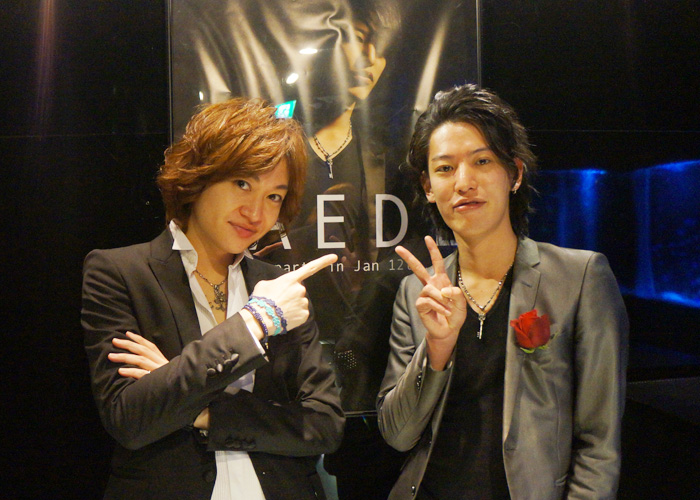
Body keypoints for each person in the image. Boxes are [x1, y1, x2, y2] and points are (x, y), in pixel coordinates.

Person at [81, 97, 345, 500]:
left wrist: (196, 406)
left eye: (274, 196)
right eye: (243, 183)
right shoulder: (120, 272)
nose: (256, 212)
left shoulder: (279, 286)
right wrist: (255, 322)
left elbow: (324, 425)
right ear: (198, 176)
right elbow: (129, 419)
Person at [376, 84, 628, 500]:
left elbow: (599, 445)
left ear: (515, 173)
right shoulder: (416, 292)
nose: (464, 182)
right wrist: (436, 349)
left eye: (482, 161)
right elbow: (398, 434)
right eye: (444, 168)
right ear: (428, 186)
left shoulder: (580, 278)